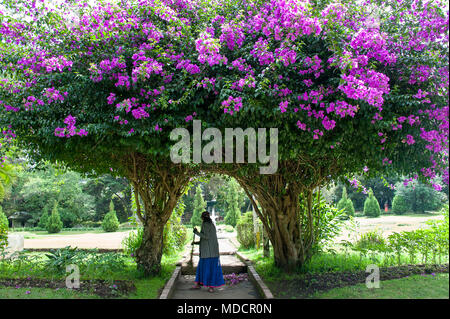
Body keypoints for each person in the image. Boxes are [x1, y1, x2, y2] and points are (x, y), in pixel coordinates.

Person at [192, 211, 225, 293]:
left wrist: (196, 232)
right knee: (207, 269)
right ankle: (200, 284)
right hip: (210, 252)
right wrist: (196, 242)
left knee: (207, 269)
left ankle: (210, 287)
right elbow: (206, 239)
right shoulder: (211, 224)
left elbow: (206, 237)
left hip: (209, 254)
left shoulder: (206, 224)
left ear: (202, 218)